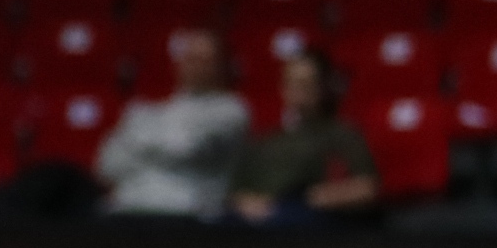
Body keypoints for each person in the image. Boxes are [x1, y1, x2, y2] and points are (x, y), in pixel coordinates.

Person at [93, 26, 252, 216]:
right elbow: (108, 163)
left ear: (221, 66)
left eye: (203, 60)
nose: (194, 65)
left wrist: (137, 143)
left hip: (188, 215)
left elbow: (185, 149)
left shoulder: (231, 111)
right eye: (189, 57)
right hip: (130, 208)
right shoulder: (148, 111)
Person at [227, 48, 381, 223]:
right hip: (260, 225)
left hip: (311, 224)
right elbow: (237, 191)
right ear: (283, 87)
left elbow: (368, 188)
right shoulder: (267, 139)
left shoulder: (342, 134)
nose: (300, 91)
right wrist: (251, 204)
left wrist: (318, 198)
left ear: (322, 86)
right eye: (294, 83)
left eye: (308, 83)